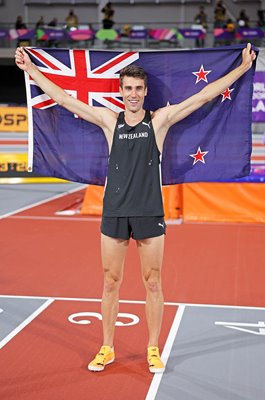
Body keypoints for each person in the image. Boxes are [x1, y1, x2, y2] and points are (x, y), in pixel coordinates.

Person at [15, 43, 256, 373]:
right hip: (114, 211)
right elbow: (64, 100)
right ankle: (107, 347)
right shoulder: (108, 120)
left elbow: (203, 97)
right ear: (121, 90)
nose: (133, 94)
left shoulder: (159, 121)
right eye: (127, 88)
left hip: (149, 212)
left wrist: (242, 69)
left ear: (145, 92)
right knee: (110, 281)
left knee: (153, 282)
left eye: (138, 89)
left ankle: (153, 348)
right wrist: (31, 70)